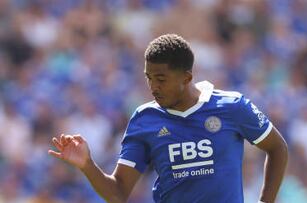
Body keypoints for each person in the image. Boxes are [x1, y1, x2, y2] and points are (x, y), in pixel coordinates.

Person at [49, 34, 288, 203]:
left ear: (186, 78)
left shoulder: (232, 106)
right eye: (148, 77)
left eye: (161, 79)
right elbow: (118, 193)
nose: (153, 86)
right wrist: (87, 166)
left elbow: (277, 148)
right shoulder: (145, 119)